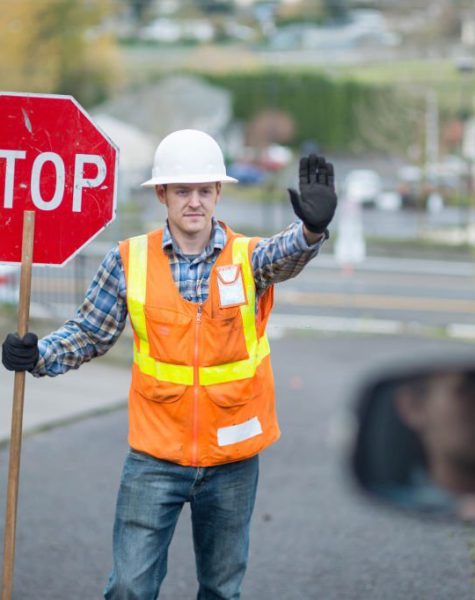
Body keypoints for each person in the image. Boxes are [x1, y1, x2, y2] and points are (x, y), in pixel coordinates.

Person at [1, 129, 337, 599]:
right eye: (183, 190)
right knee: (130, 589)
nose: (194, 202)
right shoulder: (129, 261)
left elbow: (283, 254)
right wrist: (38, 355)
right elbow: (89, 332)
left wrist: (311, 231)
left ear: (218, 192)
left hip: (232, 459)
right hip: (155, 456)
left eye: (204, 190)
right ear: (162, 193)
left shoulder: (246, 259)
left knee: (221, 590)